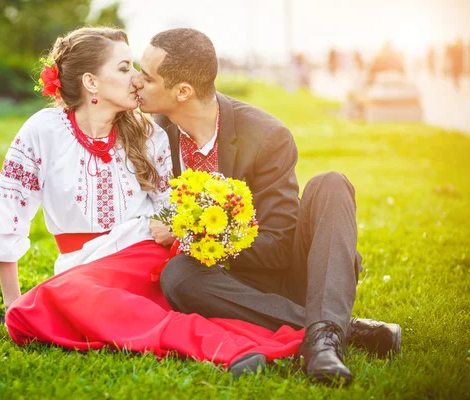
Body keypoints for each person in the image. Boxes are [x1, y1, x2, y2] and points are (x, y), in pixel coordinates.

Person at [0, 27, 304, 376]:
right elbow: (8, 216)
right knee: (30, 312)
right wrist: (11, 302)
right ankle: (247, 343)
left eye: (137, 71)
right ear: (91, 82)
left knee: (52, 300)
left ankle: (224, 348)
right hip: (84, 267)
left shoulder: (149, 132)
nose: (136, 80)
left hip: (146, 257)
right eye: (124, 69)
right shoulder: (43, 131)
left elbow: (168, 206)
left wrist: (180, 224)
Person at [133, 28, 401, 385]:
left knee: (331, 184)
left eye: (146, 76)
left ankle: (322, 343)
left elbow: (278, 247)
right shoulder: (154, 136)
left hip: (290, 274)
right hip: (228, 289)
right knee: (178, 275)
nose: (136, 81)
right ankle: (337, 328)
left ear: (182, 91)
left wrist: (196, 231)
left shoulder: (266, 135)